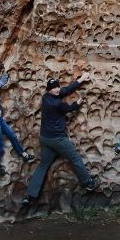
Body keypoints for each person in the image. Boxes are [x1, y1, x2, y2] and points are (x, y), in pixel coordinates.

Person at [22, 72, 99, 206]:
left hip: (45, 138)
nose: (57, 89)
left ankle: (29, 195)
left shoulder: (46, 97)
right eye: (54, 88)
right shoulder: (57, 104)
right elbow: (68, 108)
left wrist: (80, 79)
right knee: (75, 158)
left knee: (43, 166)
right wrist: (77, 103)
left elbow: (65, 90)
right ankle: (88, 183)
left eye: (57, 87)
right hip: (57, 139)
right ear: (49, 90)